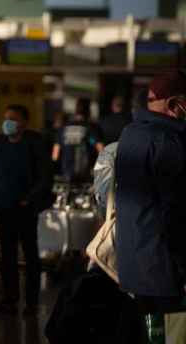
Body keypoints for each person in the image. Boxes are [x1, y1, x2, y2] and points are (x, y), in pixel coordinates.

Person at [115, 70, 186, 314]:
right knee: (174, 333)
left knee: (150, 331)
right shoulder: (170, 141)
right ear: (175, 104)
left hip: (134, 263)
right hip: (165, 268)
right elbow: (175, 211)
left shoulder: (130, 134)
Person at [0, 105, 52, 316]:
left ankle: (31, 303)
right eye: (6, 119)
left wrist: (29, 199)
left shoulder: (35, 144)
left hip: (25, 208)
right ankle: (9, 300)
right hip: (3, 207)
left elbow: (45, 176)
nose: (8, 123)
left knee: (30, 255)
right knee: (7, 257)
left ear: (24, 123)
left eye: (13, 119)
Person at [52, 98, 104, 183]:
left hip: (66, 175)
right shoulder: (90, 128)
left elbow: (55, 155)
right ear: (89, 111)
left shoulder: (63, 129)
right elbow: (101, 151)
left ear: (75, 111)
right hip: (86, 176)